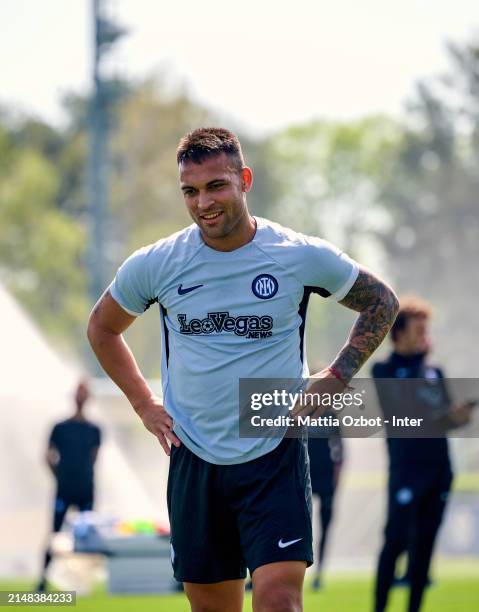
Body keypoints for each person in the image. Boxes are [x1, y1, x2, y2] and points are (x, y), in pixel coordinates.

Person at [87, 127, 399, 612]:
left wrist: (335, 378)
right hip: (193, 455)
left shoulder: (297, 254)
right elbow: (102, 329)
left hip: (274, 452)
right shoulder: (158, 263)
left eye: (216, 186)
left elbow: (381, 302)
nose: (203, 203)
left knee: (278, 602)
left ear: (244, 180)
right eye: (190, 191)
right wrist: (143, 403)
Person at [372, 295, 472, 612]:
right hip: (406, 471)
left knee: (424, 547)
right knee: (396, 541)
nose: (425, 335)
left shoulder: (434, 371)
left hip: (439, 471)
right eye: (418, 328)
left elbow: (439, 420)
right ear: (399, 332)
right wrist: (442, 416)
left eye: (426, 329)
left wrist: (458, 417)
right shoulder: (384, 369)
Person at [36, 379, 102, 592]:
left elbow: (94, 458)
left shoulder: (94, 429)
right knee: (55, 533)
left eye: (84, 393)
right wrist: (60, 477)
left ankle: (84, 583)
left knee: (86, 537)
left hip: (85, 490)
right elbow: (48, 455)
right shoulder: (60, 427)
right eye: (78, 392)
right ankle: (43, 580)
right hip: (64, 489)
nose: (81, 397)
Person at [307, 430, 343, 591]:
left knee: (324, 528)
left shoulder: (330, 416)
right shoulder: (298, 411)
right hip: (305, 475)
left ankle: (319, 574)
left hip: (325, 478)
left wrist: (336, 481)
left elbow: (340, 451)